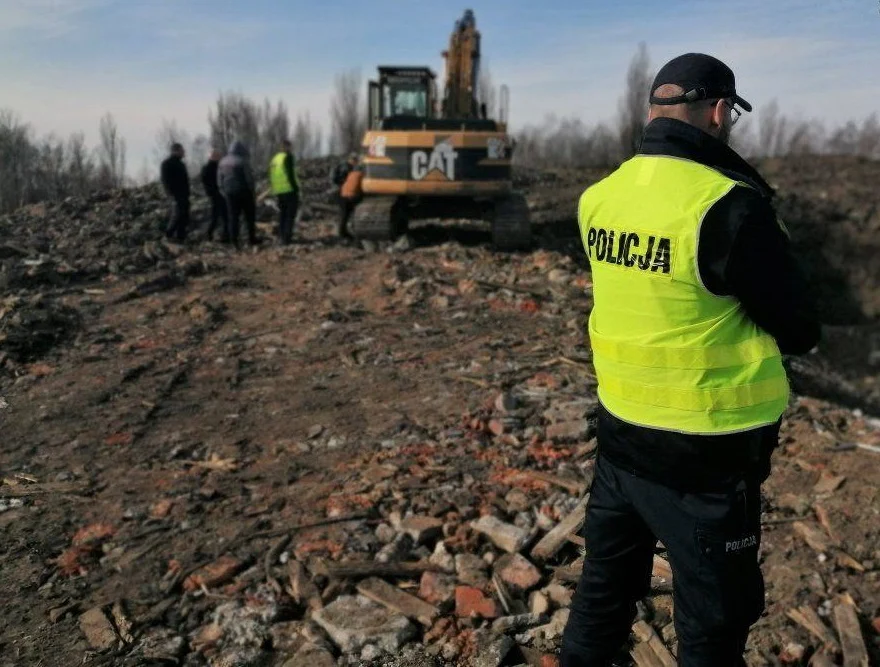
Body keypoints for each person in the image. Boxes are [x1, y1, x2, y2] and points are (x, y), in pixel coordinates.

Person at [560, 53, 821, 667]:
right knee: (712, 623)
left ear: (653, 110)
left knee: (603, 593)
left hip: (621, 436)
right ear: (719, 111)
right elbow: (799, 328)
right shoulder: (729, 206)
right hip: (708, 453)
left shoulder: (600, 198)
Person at [217, 140, 257, 248]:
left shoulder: (222, 162)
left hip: (229, 193)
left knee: (233, 217)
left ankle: (234, 241)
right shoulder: (242, 161)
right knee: (249, 216)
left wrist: (223, 192)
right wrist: (253, 192)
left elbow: (219, 180)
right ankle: (252, 239)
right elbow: (249, 179)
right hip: (244, 192)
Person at [268, 139, 301, 245]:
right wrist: (296, 188)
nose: (291, 149)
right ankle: (287, 238)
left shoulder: (275, 159)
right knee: (290, 215)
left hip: (279, 191)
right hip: (289, 190)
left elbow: (270, 175)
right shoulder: (288, 157)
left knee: (282, 215)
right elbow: (290, 175)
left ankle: (281, 236)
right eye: (290, 147)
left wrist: (274, 188)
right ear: (287, 147)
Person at [160, 143, 190, 242]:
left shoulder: (181, 164)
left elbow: (185, 181)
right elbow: (165, 180)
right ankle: (168, 235)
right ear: (175, 151)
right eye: (182, 150)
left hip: (184, 194)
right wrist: (171, 194)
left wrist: (187, 193)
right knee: (177, 214)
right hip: (175, 194)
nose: (184, 152)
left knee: (184, 216)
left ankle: (181, 237)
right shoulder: (167, 163)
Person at [331, 152, 362, 238]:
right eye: (355, 160)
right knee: (345, 213)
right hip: (342, 192)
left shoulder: (347, 167)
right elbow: (344, 180)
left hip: (342, 191)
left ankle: (343, 231)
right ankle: (342, 232)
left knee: (345, 213)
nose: (356, 162)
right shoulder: (347, 168)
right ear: (351, 159)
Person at [200, 149, 228, 242]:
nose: (220, 158)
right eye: (218, 156)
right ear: (214, 157)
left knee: (217, 216)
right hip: (218, 194)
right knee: (222, 216)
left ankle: (212, 234)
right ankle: (223, 236)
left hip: (215, 194)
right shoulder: (215, 168)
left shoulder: (207, 168)